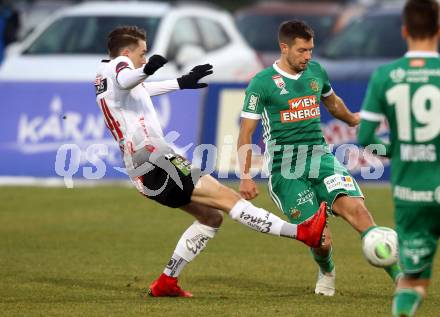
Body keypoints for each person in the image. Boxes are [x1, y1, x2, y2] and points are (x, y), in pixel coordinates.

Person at [94, 25, 328, 298]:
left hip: (145, 167)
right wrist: (147, 70)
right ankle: (303, 233)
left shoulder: (104, 75)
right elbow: (129, 79)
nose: (145, 58)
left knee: (210, 217)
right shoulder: (121, 67)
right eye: (142, 53)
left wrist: (180, 82)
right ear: (125, 53)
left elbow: (136, 88)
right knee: (225, 197)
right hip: (156, 159)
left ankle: (167, 282)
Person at [237, 20, 402, 297]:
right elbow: (246, 133)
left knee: (359, 213)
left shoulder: (316, 72)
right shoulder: (262, 83)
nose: (308, 56)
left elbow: (332, 101)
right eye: (302, 51)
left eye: (311, 50)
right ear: (284, 47)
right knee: (320, 239)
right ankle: (327, 270)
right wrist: (245, 175)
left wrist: (352, 118)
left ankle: (399, 278)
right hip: (285, 169)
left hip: (321, 157)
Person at [358, 0, 439, 315]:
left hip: (411, 195)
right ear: (438, 30)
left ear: (405, 31)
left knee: (413, 281)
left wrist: (393, 150)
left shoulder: (385, 75)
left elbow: (365, 139)